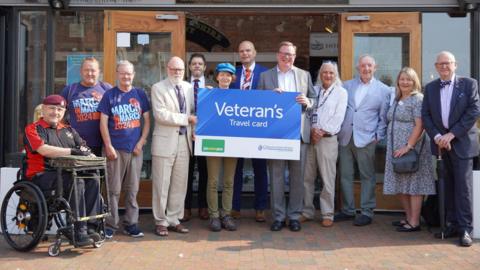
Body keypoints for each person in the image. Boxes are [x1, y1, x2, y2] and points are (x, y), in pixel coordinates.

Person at [24, 94, 100, 246]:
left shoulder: (69, 130)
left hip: (66, 174)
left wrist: (89, 154)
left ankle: (91, 227)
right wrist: (72, 152)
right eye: (52, 108)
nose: (56, 112)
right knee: (75, 182)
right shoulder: (33, 129)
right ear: (43, 110)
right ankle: (79, 232)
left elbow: (83, 147)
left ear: (64, 112)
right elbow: (43, 149)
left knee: (92, 177)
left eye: (60, 109)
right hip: (42, 176)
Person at [422, 51, 480, 247]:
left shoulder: (469, 84)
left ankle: (465, 229)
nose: (444, 67)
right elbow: (426, 116)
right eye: (440, 64)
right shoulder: (429, 88)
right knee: (446, 187)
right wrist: (438, 136)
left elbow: (473, 111)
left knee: (463, 189)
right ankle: (450, 225)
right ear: (436, 66)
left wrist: (451, 134)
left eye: (448, 63)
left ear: (455, 65)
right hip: (440, 146)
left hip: (462, 144)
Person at [258, 41, 316, 232]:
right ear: (277, 55)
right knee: (276, 177)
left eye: (290, 54)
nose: (287, 57)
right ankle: (278, 216)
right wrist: (269, 97)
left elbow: (314, 99)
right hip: (276, 135)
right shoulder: (265, 77)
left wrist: (308, 101)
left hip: (298, 134)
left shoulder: (304, 75)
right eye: (284, 54)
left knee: (298, 177)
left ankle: (294, 216)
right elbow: (256, 103)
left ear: (294, 55)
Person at [336, 54, 391, 226]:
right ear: (357, 68)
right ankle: (348, 210)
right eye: (363, 65)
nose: (366, 69)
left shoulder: (384, 90)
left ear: (375, 68)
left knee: (367, 176)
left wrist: (377, 136)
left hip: (367, 138)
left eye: (369, 66)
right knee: (345, 175)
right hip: (345, 136)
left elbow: (384, 117)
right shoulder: (346, 85)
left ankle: (367, 211)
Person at [98, 60, 151, 239]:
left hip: (135, 150)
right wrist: (108, 145)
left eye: (129, 73)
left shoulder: (140, 94)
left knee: (133, 188)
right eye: (122, 73)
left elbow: (147, 122)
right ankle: (111, 224)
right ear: (117, 74)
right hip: (115, 149)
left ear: (133, 75)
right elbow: (103, 123)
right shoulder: (109, 96)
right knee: (113, 189)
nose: (126, 76)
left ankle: (131, 224)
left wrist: (141, 142)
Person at [383, 67, 436, 232]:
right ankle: (408, 217)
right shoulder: (398, 98)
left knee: (414, 185)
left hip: (412, 148)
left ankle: (415, 222)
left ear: (415, 82)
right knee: (401, 184)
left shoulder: (417, 99)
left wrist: (408, 146)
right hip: (396, 148)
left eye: (409, 79)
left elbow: (420, 125)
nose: (405, 82)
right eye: (402, 79)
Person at [150, 56, 197, 236]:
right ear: (167, 68)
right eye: (174, 69)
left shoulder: (188, 88)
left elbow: (193, 111)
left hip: (184, 142)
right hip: (164, 141)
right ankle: (160, 221)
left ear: (184, 71)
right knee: (162, 183)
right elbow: (161, 114)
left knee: (179, 183)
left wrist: (193, 127)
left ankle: (174, 219)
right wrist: (187, 120)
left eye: (180, 69)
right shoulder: (158, 88)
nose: (177, 72)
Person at [301, 61, 347, 227]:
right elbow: (308, 112)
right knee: (307, 178)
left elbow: (338, 118)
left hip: (327, 139)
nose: (327, 75)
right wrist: (312, 131)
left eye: (331, 73)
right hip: (310, 139)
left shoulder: (341, 93)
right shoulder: (315, 91)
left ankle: (328, 213)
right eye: (324, 72)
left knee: (328, 179)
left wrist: (321, 131)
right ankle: (307, 211)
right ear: (320, 74)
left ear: (336, 75)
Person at [230, 41, 269, 222]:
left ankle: (260, 208)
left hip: (258, 130)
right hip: (237, 128)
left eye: (248, 50)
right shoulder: (233, 74)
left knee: (260, 169)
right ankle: (235, 207)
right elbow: (224, 98)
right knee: (234, 169)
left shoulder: (266, 74)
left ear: (255, 53)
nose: (244, 54)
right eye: (241, 51)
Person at [206, 63, 238, 232]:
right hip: (214, 142)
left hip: (232, 142)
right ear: (217, 77)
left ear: (232, 78)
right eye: (222, 75)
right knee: (212, 181)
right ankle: (214, 216)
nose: (225, 78)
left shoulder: (238, 96)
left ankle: (226, 214)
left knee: (228, 181)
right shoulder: (209, 94)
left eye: (228, 75)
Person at [183, 53, 215, 221]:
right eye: (194, 63)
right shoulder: (182, 85)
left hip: (205, 134)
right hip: (186, 133)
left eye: (200, 64)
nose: (196, 66)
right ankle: (186, 207)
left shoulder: (212, 85)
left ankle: (203, 206)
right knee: (186, 172)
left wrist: (213, 94)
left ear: (204, 67)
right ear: (189, 66)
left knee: (205, 171)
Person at [61, 56, 112, 157]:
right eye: (86, 70)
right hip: (76, 145)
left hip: (102, 145)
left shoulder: (107, 89)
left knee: (99, 173)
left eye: (93, 70)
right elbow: (59, 116)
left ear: (98, 72)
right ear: (81, 71)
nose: (89, 74)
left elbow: (115, 115)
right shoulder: (70, 90)